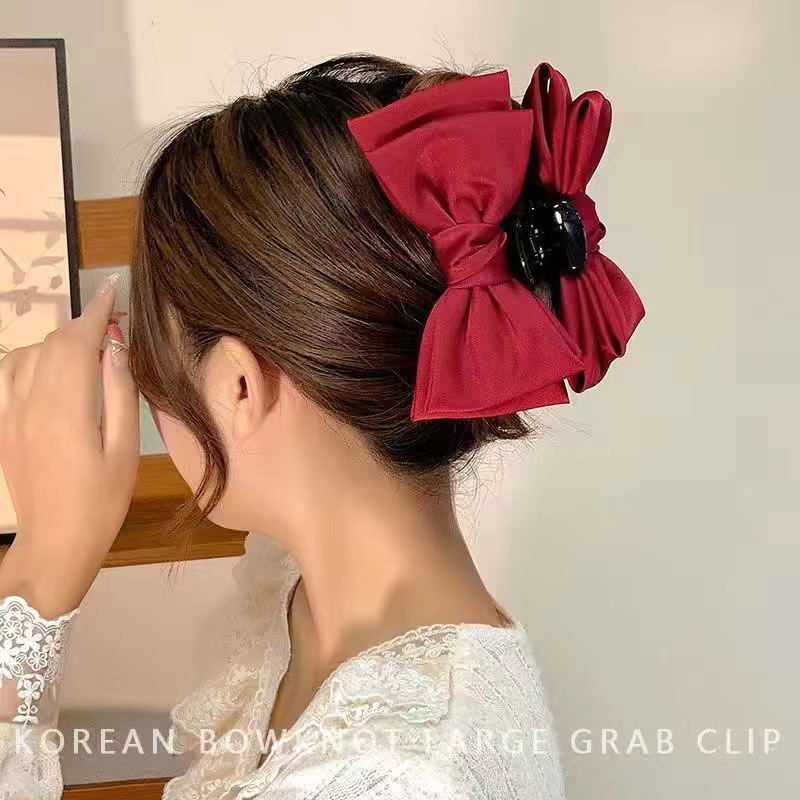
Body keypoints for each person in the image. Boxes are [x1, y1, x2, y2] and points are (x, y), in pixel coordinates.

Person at [0, 54, 643, 799]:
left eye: (153, 363)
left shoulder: (393, 778)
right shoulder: (309, 589)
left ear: (238, 386)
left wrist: (41, 573)